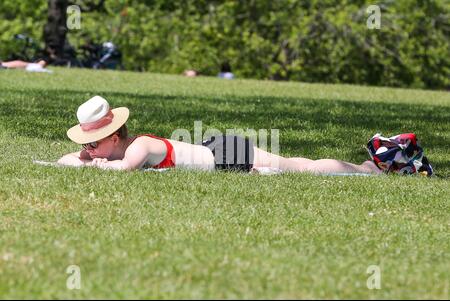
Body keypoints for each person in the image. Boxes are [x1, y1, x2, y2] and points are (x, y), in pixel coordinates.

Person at [57, 96, 382, 174]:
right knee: (294, 166)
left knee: (300, 167)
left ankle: (364, 169)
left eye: (94, 143)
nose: (89, 149)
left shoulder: (138, 146)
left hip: (226, 154)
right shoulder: (110, 149)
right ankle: (362, 169)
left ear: (115, 136)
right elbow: (66, 158)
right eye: (86, 143)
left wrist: (87, 163)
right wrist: (81, 156)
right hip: (215, 151)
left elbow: (124, 169)